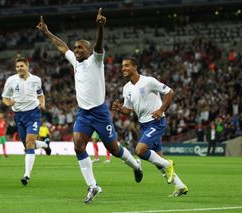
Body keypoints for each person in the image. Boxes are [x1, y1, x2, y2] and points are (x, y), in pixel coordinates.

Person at [37, 8, 142, 204]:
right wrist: (47, 32)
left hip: (100, 112)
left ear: (88, 50)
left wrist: (100, 28)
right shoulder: (76, 63)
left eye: (79, 48)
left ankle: (136, 166)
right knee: (78, 146)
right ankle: (93, 185)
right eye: (75, 48)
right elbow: (61, 47)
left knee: (114, 149)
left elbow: (99, 45)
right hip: (83, 113)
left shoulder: (96, 60)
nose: (75, 50)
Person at [112, 56, 188, 197]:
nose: (123, 68)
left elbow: (169, 92)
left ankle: (168, 164)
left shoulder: (148, 81)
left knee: (140, 151)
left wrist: (161, 110)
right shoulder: (126, 88)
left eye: (127, 65)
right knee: (158, 160)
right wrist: (120, 109)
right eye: (122, 66)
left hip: (156, 122)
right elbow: (128, 110)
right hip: (144, 125)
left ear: (135, 67)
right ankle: (180, 186)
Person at [2, 55, 51, 186]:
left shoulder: (36, 80)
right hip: (18, 115)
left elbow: (40, 94)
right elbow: (5, 98)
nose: (19, 68)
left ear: (27, 66)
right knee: (28, 145)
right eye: (17, 66)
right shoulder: (11, 80)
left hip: (33, 114)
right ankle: (45, 144)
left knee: (29, 143)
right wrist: (8, 103)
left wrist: (42, 103)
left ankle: (27, 175)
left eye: (21, 66)